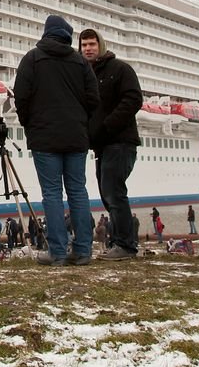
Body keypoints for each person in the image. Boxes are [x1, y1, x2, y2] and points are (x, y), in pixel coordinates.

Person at [13, 15, 99, 267]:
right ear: (67, 35)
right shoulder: (80, 62)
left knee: (51, 193)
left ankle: (57, 252)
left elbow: (21, 97)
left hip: (44, 136)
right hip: (76, 136)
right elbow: (93, 99)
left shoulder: (32, 58)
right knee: (78, 192)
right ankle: (83, 251)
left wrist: (32, 124)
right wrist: (80, 121)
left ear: (46, 33)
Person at [77, 28, 142, 262]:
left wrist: (108, 125)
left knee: (114, 191)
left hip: (120, 140)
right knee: (107, 193)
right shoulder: (84, 73)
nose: (88, 49)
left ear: (101, 45)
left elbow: (134, 98)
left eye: (92, 44)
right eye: (84, 45)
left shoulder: (120, 69)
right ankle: (120, 242)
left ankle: (125, 245)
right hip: (101, 145)